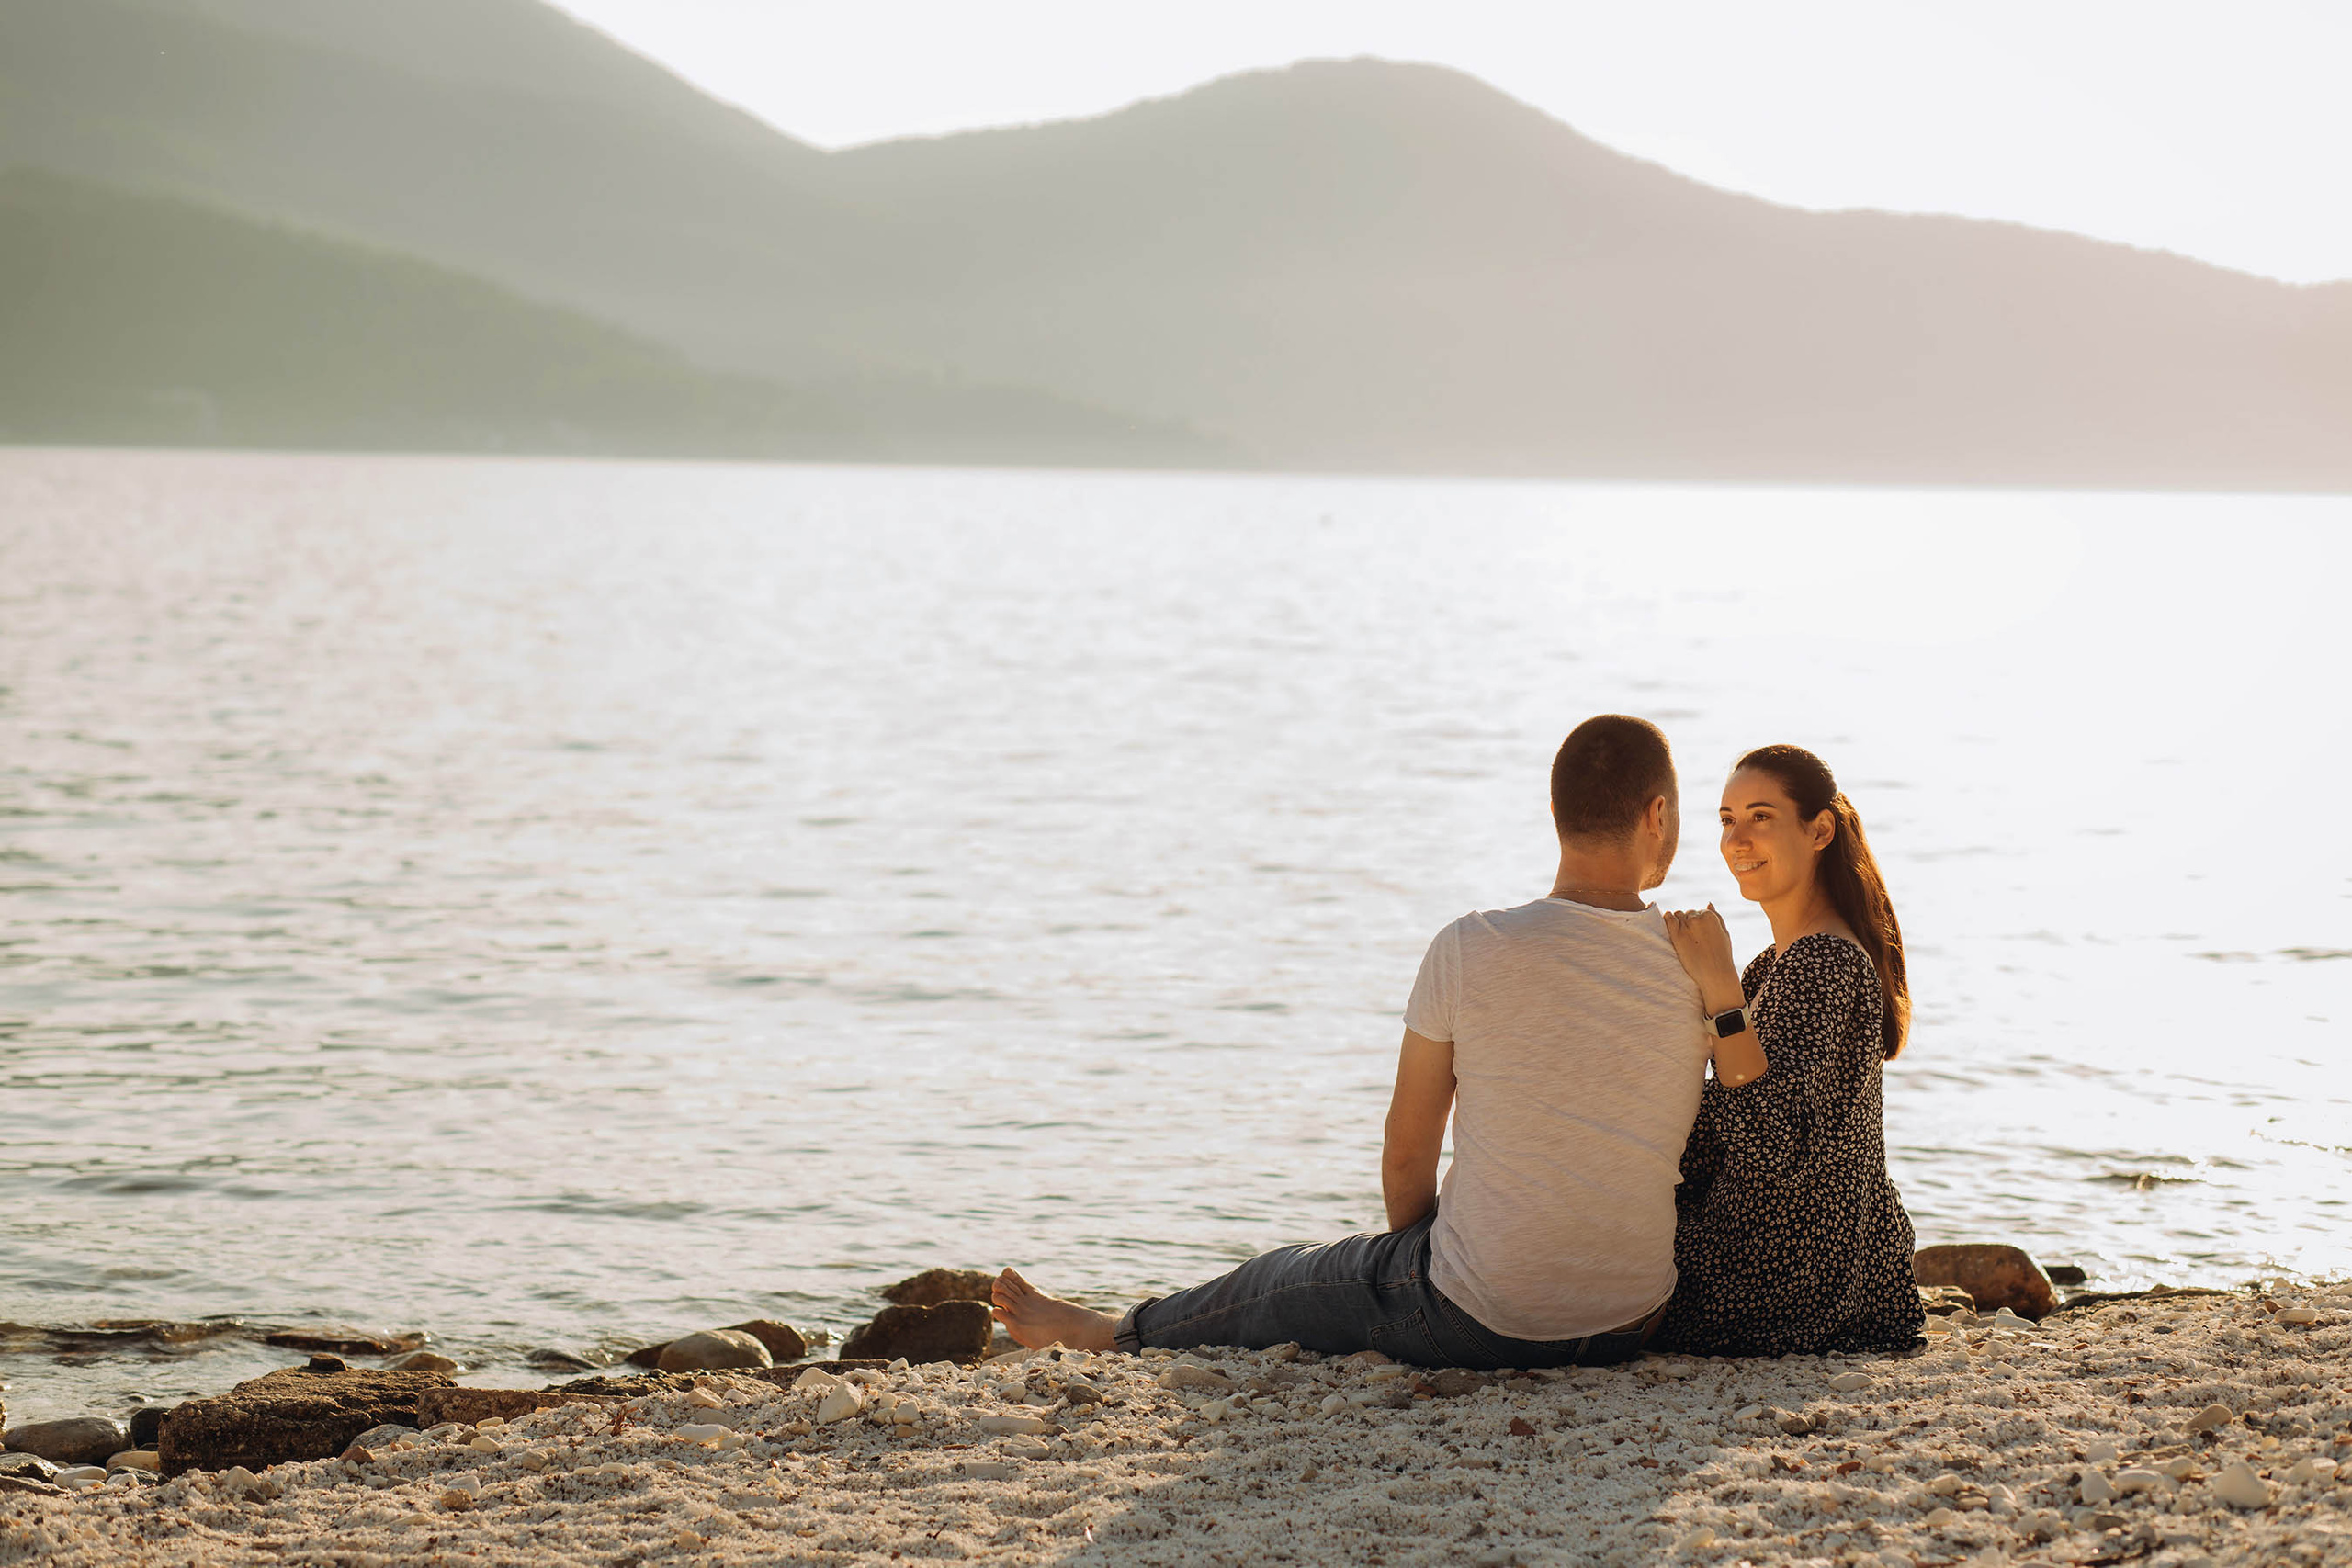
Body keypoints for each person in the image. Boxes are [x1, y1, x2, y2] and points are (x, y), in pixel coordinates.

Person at [992, 714, 1765, 1369]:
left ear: (1558, 812)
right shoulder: (1700, 962)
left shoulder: (1470, 946)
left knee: (1287, 1281)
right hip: (1631, 1322)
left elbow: (1405, 1153)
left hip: (1480, 1320)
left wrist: (1420, 1258)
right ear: (1658, 814)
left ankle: (1111, 1331)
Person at [1652, 744, 1926, 1357]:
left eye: (1760, 816)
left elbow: (1775, 1136)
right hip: (1832, 1277)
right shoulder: (1778, 965)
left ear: (1820, 829)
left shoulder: (1821, 958)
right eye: (1726, 819)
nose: (1736, 839)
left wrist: (1718, 988)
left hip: (1771, 1284)